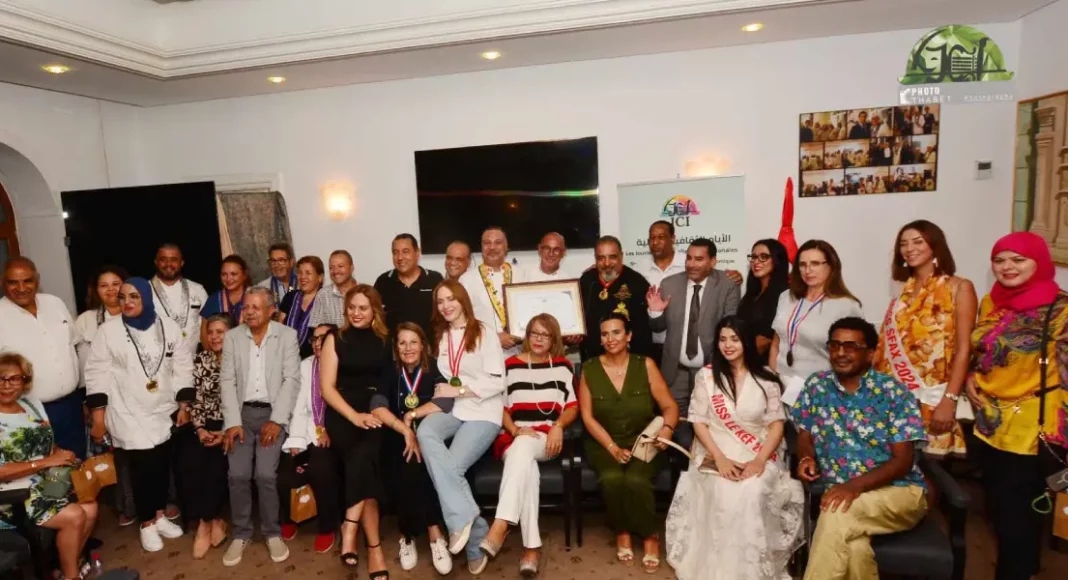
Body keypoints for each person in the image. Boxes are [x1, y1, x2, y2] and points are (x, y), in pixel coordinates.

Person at [665, 316, 802, 579]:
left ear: (746, 342)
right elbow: (699, 422)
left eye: (734, 339)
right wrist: (720, 459)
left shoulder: (767, 378)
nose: (728, 345)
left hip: (758, 449)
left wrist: (759, 461)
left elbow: (776, 426)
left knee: (752, 490)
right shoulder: (707, 376)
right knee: (722, 488)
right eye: (723, 339)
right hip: (715, 447)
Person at [791, 317, 928, 580]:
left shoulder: (893, 393)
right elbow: (804, 433)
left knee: (836, 512)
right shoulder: (816, 386)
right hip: (842, 493)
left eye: (851, 346)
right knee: (854, 550)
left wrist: (854, 486)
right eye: (835, 345)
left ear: (871, 353)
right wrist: (805, 457)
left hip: (899, 492)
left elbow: (902, 461)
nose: (841, 352)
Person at [968, 232, 1068, 580]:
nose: (1007, 267)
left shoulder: (1061, 309)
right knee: (997, 508)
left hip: (1032, 427)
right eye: (999, 260)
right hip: (989, 423)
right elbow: (984, 351)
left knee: (1017, 516)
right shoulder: (990, 302)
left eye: (1018, 259)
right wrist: (971, 376)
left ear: (1039, 262)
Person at [84, 277, 194, 552]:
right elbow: (96, 374)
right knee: (143, 469)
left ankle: (159, 516)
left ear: (147, 297)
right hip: (127, 411)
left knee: (161, 466)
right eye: (122, 297)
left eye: (134, 296)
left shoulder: (168, 327)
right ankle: (147, 523)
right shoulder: (108, 332)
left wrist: (184, 406)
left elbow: (182, 366)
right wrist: (98, 418)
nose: (127, 302)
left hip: (163, 409)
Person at [318, 285, 415, 579]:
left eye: (362, 308)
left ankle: (350, 527)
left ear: (375, 310)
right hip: (343, 412)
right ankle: (374, 550)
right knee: (363, 463)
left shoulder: (386, 341)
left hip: (375, 411)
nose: (356, 313)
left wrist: (375, 415)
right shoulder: (334, 338)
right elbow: (327, 389)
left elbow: (386, 386)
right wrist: (354, 417)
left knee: (364, 459)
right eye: (351, 308)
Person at [414, 280, 505, 575]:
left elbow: (497, 382)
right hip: (455, 409)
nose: (446, 306)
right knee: (425, 431)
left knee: (450, 468)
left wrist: (460, 390)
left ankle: (471, 538)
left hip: (484, 411)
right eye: (440, 301)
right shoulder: (441, 336)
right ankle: (470, 521)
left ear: (463, 300)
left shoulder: (484, 332)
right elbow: (445, 378)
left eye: (451, 299)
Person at [579, 313, 679, 574]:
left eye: (616, 332)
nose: (610, 339)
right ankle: (622, 530)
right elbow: (587, 417)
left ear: (629, 336)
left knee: (636, 479)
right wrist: (612, 447)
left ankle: (649, 534)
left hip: (644, 440)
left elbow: (670, 407)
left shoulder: (645, 365)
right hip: (603, 441)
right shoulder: (589, 368)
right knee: (612, 479)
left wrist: (667, 430)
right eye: (604, 334)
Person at [479, 314, 579, 576]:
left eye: (545, 335)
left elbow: (572, 406)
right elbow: (499, 406)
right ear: (527, 335)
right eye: (534, 333)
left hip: (546, 438)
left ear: (554, 340)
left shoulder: (563, 366)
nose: (538, 339)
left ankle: (501, 523)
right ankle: (531, 549)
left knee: (525, 447)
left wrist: (558, 426)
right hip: (514, 438)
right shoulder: (510, 365)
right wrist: (514, 429)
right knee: (528, 471)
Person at [873, 221, 977, 457]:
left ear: (935, 245)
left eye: (918, 242)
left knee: (928, 467)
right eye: (903, 244)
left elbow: (964, 349)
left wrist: (949, 400)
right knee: (893, 464)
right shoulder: (902, 290)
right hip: (894, 398)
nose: (910, 249)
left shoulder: (959, 287)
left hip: (933, 396)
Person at [219, 287, 301, 566]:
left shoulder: (286, 336)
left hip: (272, 414)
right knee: (238, 474)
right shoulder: (233, 337)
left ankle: (272, 532)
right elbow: (227, 381)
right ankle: (241, 533)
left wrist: (277, 420)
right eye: (246, 307)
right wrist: (232, 422)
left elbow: (291, 380)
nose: (250, 312)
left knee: (265, 474)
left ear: (271, 310)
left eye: (256, 307)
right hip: (241, 415)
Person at [0, 352, 99, 580]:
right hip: (13, 495)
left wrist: (61, 454)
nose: (6, 385)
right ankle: (72, 576)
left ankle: (64, 571)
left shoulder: (31, 405)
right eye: (1, 378)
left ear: (25, 381)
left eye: (14, 378)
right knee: (75, 515)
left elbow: (45, 441)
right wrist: (45, 462)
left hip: (48, 482)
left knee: (91, 508)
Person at [647, 239, 741, 448]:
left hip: (710, 371)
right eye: (689, 258)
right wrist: (655, 312)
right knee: (676, 430)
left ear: (712, 261)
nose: (691, 264)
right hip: (675, 372)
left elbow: (731, 328)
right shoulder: (669, 284)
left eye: (699, 259)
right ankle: (681, 464)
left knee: (710, 429)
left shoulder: (727, 285)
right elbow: (657, 328)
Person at [73, 265, 138, 526]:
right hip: (102, 398)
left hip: (136, 396)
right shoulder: (86, 321)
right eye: (104, 285)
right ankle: (126, 505)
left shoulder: (137, 314)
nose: (111, 289)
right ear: (96, 290)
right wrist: (88, 402)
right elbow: (81, 364)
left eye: (115, 283)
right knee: (115, 454)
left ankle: (158, 502)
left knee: (145, 450)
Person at [0, 258, 82, 461]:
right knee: (43, 470)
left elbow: (74, 346)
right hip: (28, 413)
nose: (21, 288)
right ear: (3, 283)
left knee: (79, 465)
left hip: (72, 405)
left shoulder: (55, 303)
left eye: (27, 281)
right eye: (13, 282)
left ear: (37, 280)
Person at [386, 323, 453, 574]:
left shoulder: (436, 368)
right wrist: (405, 430)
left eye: (413, 342)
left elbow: (446, 400)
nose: (408, 348)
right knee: (406, 459)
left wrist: (412, 415)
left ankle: (411, 533)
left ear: (423, 345)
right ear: (396, 347)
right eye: (402, 343)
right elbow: (377, 404)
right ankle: (429, 533)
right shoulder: (391, 371)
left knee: (417, 460)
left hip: (432, 435)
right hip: (398, 436)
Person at [277, 323, 342, 555]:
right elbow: (299, 408)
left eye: (323, 338)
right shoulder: (306, 365)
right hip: (307, 431)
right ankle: (289, 517)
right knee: (285, 473)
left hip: (335, 432)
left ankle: (327, 527)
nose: (317, 343)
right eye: (314, 339)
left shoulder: (342, 364)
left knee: (321, 470)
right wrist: (296, 440)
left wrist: (327, 429)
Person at [176, 313, 233, 559]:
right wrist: (199, 429)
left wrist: (225, 431)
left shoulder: (241, 360)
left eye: (220, 332)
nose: (214, 337)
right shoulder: (201, 359)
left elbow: (242, 403)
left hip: (231, 426)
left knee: (215, 466)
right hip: (204, 424)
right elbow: (196, 400)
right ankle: (214, 520)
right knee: (189, 462)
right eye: (210, 332)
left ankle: (204, 524)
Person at [770, 240, 864, 383]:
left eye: (815, 263)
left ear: (831, 266)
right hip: (781, 380)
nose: (808, 270)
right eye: (802, 264)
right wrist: (774, 377)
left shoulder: (847, 306)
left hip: (821, 387)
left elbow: (857, 357)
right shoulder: (786, 297)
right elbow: (776, 343)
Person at [579, 236, 653, 361]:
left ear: (621, 256)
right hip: (592, 360)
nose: (607, 263)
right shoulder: (586, 280)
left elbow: (643, 332)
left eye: (612, 257)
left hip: (627, 361)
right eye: (601, 258)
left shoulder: (637, 283)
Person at [459, 227, 526, 356]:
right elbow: (463, 321)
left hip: (518, 353)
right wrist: (494, 338)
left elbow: (529, 313)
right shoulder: (467, 279)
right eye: (487, 243)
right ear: (481, 247)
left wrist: (520, 334)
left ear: (506, 247)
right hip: (483, 352)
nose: (492, 247)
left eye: (498, 242)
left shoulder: (521, 275)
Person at [374, 233, 444, 338]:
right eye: (395, 253)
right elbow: (375, 317)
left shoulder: (434, 279)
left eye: (405, 252)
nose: (400, 257)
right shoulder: (383, 281)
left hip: (429, 346)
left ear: (417, 253)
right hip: (394, 346)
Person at [635, 221, 685, 362]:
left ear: (673, 239)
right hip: (651, 345)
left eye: (661, 237)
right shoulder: (640, 268)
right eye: (652, 238)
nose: (655, 242)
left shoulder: (687, 264)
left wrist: (732, 276)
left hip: (682, 345)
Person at [150, 243, 209, 355]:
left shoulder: (198, 290)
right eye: (163, 259)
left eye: (173, 260)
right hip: (156, 361)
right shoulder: (143, 291)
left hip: (193, 360)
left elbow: (207, 327)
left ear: (182, 263)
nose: (168, 264)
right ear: (156, 262)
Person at [737, 240, 790, 362]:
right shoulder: (751, 294)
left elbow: (766, 341)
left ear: (777, 260)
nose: (756, 261)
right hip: (745, 362)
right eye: (754, 257)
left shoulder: (785, 295)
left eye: (764, 257)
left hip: (770, 365)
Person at [278, 255, 325, 359]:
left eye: (308, 273)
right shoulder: (290, 297)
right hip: (286, 357)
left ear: (320, 277)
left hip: (315, 360)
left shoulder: (327, 301)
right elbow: (278, 327)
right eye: (300, 273)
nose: (302, 277)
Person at [200, 254, 252, 344]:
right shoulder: (214, 299)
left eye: (233, 274)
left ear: (244, 275)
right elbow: (204, 335)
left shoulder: (256, 297)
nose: (228, 278)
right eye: (224, 274)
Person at [308, 250, 358, 327]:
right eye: (331, 267)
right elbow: (315, 327)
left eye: (340, 266)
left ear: (352, 268)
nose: (335, 271)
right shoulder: (323, 295)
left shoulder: (364, 293)